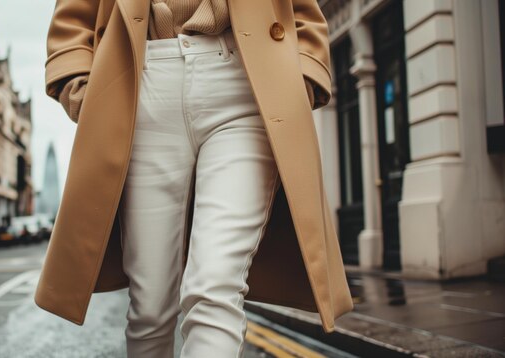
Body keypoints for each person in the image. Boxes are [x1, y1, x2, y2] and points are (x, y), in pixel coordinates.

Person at [36, 1, 354, 357]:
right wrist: (81, 89)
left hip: (245, 84)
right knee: (150, 306)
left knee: (215, 286)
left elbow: (302, 11)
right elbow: (73, 17)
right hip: (141, 83)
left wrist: (302, 79)